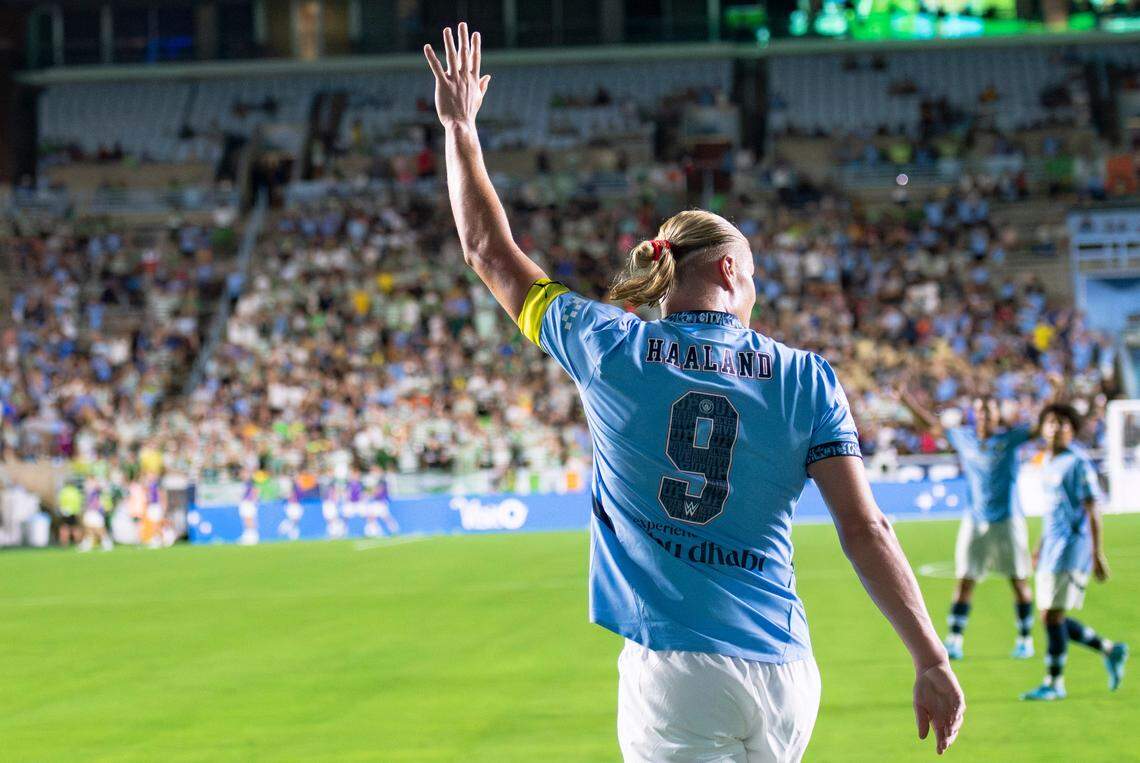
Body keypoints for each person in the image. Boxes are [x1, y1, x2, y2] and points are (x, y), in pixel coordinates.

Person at [425, 24, 964, 761]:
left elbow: (487, 250)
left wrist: (460, 128)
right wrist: (930, 656)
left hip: (676, 671)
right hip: (784, 668)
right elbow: (867, 531)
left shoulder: (610, 345)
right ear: (733, 273)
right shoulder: (808, 376)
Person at [899, 391, 1035, 660]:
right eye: (979, 410)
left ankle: (1025, 639)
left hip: (1008, 520)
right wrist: (906, 400)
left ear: (998, 414)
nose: (983, 414)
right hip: (975, 520)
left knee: (1018, 581)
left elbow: (1041, 427)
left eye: (988, 409)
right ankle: (955, 639)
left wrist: (1055, 392)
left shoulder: (1009, 438)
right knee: (965, 580)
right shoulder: (965, 437)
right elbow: (931, 426)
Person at [1021, 404, 1128, 701]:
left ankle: (1054, 684)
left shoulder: (1077, 463)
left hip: (1072, 548)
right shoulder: (1047, 462)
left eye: (1063, 423)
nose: (1056, 428)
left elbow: (1093, 508)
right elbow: (1053, 510)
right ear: (1043, 428)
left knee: (1051, 615)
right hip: (1052, 547)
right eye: (1051, 423)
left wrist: (1097, 554)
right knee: (1050, 616)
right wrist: (1040, 545)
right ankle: (1110, 649)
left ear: (1072, 429)